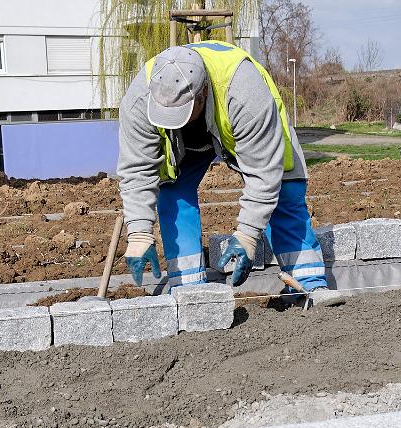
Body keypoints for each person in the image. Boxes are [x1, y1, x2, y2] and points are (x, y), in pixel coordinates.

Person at [116, 40, 342, 307]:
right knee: (172, 193)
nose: (173, 119)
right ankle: (189, 292)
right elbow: (136, 170)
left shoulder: (245, 91)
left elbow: (264, 173)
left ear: (201, 94)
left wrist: (247, 236)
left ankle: (308, 283)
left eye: (180, 114)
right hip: (182, 148)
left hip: (245, 130)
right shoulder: (139, 100)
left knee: (285, 189)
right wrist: (139, 234)